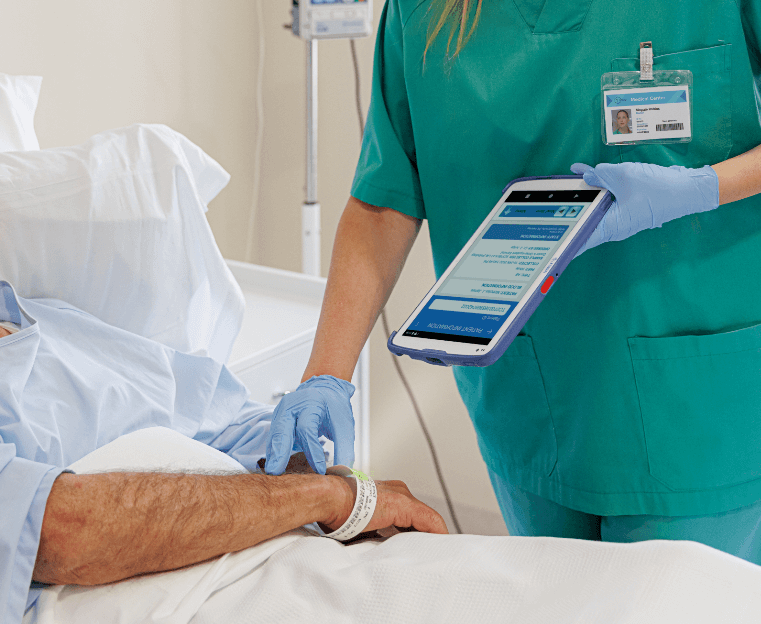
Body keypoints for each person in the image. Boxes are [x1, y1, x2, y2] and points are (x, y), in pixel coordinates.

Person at [0, 92, 447, 624]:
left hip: (285, 558)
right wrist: (327, 498)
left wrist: (313, 469)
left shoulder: (51, 321)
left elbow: (226, 423)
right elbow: (58, 535)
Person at [266, 0, 761, 566]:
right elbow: (386, 198)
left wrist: (705, 186)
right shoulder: (421, 13)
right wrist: (327, 372)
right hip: (530, 408)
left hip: (704, 410)